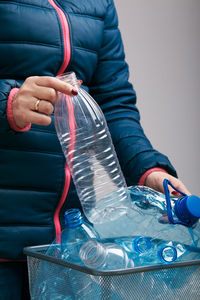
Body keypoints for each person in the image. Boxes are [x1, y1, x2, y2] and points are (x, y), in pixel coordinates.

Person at [0, 0, 190, 299]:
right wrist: (7, 103)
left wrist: (147, 168)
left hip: (73, 248)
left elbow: (114, 103)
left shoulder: (98, 3)